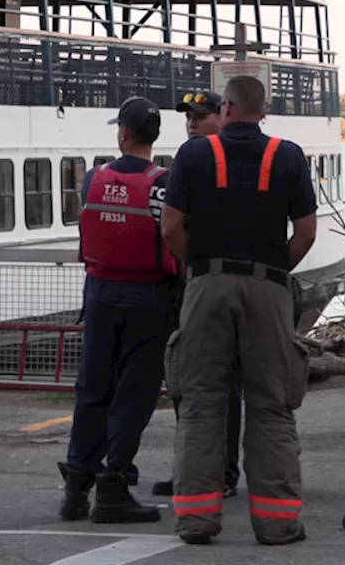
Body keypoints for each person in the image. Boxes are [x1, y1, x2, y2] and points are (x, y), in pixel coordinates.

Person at [161, 75, 317, 546]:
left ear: (226, 108)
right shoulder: (288, 156)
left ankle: (196, 520)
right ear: (263, 111)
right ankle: (277, 523)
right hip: (268, 287)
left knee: (200, 404)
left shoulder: (193, 155)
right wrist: (270, 272)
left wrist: (202, 270)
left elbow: (170, 227)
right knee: (271, 403)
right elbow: (306, 231)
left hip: (207, 282)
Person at [57, 96, 178, 525]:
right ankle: (113, 486)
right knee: (135, 394)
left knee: (92, 388)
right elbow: (176, 237)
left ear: (123, 133)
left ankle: (76, 481)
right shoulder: (165, 182)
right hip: (148, 296)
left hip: (100, 293)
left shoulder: (93, 177)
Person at [151, 89, 244, 501]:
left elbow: (172, 228)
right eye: (188, 116)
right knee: (190, 380)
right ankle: (195, 468)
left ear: (222, 117)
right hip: (196, 283)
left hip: (208, 280)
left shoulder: (211, 164)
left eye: (200, 115)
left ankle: (221, 470)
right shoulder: (185, 165)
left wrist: (194, 265)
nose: (191, 122)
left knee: (222, 381)